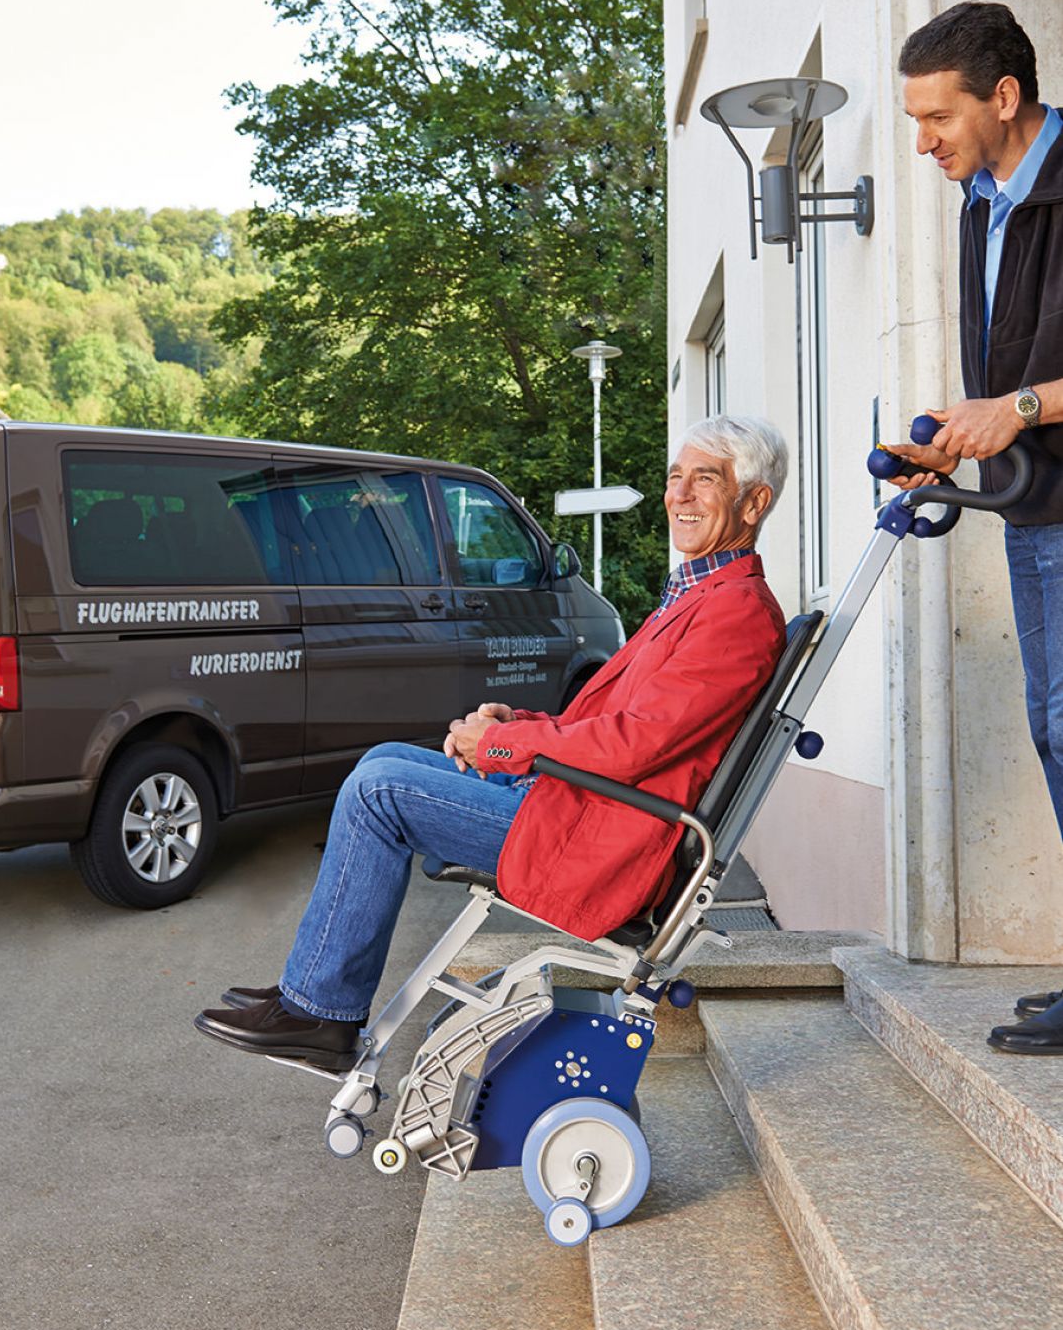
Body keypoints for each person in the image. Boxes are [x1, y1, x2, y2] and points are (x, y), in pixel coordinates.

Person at [195, 416, 788, 1071]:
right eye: (676, 477)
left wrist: (503, 744)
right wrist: (515, 722)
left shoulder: (734, 613)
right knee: (381, 760)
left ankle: (317, 1013)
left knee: (377, 790)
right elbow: (620, 723)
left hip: (598, 839)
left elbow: (633, 745)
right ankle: (312, 996)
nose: (679, 494)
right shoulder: (701, 597)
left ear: (753, 501)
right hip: (581, 807)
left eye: (705, 480)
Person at [895, 2, 1063, 1053]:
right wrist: (962, 435)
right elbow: (1007, 377)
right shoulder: (979, 200)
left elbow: (1028, 390)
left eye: (934, 117)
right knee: (1053, 730)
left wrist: (1023, 407)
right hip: (1028, 501)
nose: (921, 142)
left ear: (1000, 97)